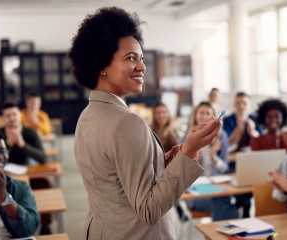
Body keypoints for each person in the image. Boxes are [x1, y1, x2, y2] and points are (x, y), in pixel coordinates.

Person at [68, 7, 222, 239]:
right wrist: (190, 151)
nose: (142, 66)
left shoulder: (88, 115)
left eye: (141, 58)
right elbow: (149, 210)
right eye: (130, 58)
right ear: (101, 65)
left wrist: (165, 159)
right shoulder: (127, 122)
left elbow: (115, 180)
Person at [0, 102, 51, 235]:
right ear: (3, 118)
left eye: (14, 114)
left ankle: (45, 225)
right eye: (7, 115)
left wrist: (22, 144)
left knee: (45, 185)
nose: (11, 118)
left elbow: (42, 158)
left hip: (27, 171)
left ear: (20, 115)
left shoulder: (30, 133)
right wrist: (8, 145)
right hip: (5, 177)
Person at [179, 102, 238, 221]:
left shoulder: (222, 137)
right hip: (194, 192)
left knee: (224, 202)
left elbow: (225, 168)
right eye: (201, 112)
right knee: (226, 206)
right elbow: (179, 173)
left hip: (216, 187)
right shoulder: (185, 139)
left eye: (208, 113)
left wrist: (214, 157)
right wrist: (195, 161)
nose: (205, 116)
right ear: (195, 115)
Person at [223, 92, 263, 218]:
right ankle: (243, 204)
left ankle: (246, 204)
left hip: (251, 161)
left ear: (250, 106)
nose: (241, 106)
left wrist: (253, 132)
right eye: (238, 103)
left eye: (244, 103)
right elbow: (226, 144)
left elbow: (262, 143)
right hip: (232, 162)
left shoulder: (255, 120)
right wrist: (238, 131)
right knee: (238, 179)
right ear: (234, 105)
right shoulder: (228, 120)